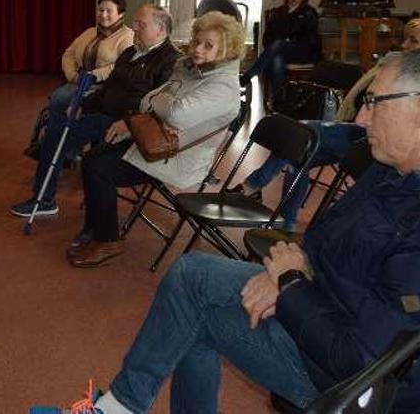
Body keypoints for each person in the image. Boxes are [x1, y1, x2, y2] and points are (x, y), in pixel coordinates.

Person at [39, 49, 420, 414]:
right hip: (317, 297)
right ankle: (119, 407)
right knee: (190, 274)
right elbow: (324, 237)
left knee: (190, 316)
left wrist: (289, 287)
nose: (363, 119)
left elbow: (361, 361)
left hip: (340, 379)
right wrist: (294, 269)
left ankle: (117, 408)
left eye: (374, 101)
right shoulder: (389, 170)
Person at [69, 11, 244, 268]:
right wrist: (167, 113)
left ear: (226, 50)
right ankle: (95, 230)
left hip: (178, 156)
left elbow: (176, 112)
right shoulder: (189, 67)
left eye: (209, 45)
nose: (197, 49)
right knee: (93, 157)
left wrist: (167, 110)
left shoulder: (223, 88)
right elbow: (147, 100)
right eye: (197, 41)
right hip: (157, 138)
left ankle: (107, 240)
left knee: (99, 168)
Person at [226, 18, 420, 231]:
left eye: (413, 41)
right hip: (357, 129)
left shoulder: (404, 82)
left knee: (303, 136)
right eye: (406, 39)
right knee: (300, 153)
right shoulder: (393, 67)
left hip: (366, 138)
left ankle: (256, 187)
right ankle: (285, 223)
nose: (404, 45)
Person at [11, 4, 180, 217]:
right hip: (104, 115)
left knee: (58, 136)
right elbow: (108, 88)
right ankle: (47, 190)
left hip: (126, 125)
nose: (134, 28)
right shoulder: (131, 52)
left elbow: (159, 105)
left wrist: (127, 123)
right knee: (59, 123)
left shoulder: (170, 60)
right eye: (135, 23)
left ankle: (46, 196)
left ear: (161, 30)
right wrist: (83, 104)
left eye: (141, 24)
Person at [240, 0, 322, 101]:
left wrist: (288, 41)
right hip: (278, 50)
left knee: (278, 45)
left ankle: (249, 74)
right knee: (276, 59)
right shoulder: (278, 13)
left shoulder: (309, 13)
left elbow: (311, 39)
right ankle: (279, 102)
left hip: (302, 51)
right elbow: (267, 37)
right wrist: (283, 41)